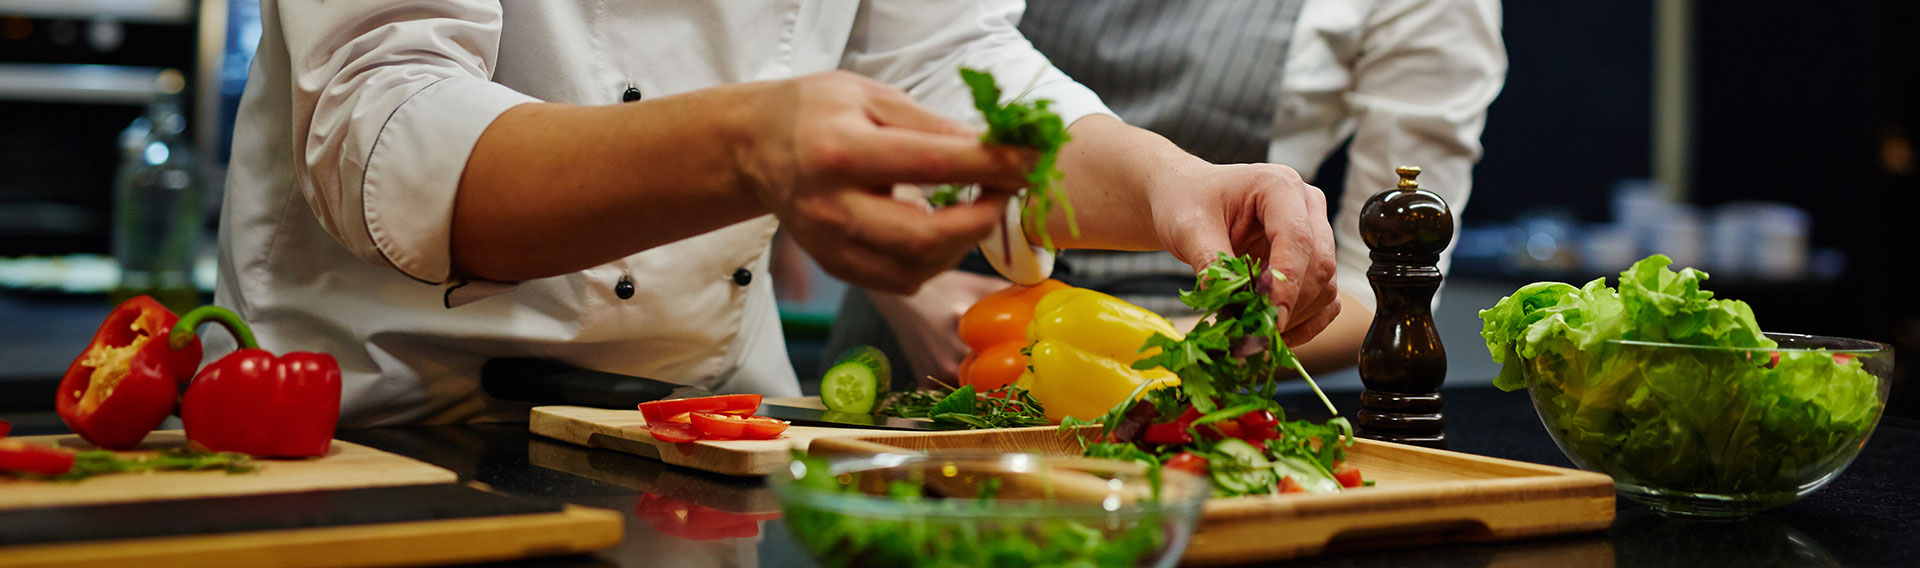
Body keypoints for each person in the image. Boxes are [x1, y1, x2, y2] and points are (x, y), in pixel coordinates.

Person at [215, 1, 1341, 426]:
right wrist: (748, 144)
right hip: (386, 428)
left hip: (716, 437)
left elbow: (947, 55)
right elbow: (389, 121)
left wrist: (1165, 182)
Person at [828, 0, 1506, 386]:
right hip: (912, 304)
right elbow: (850, 72)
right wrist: (906, 289)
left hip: (1173, 361)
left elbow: (1380, 284)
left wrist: (1144, 353)